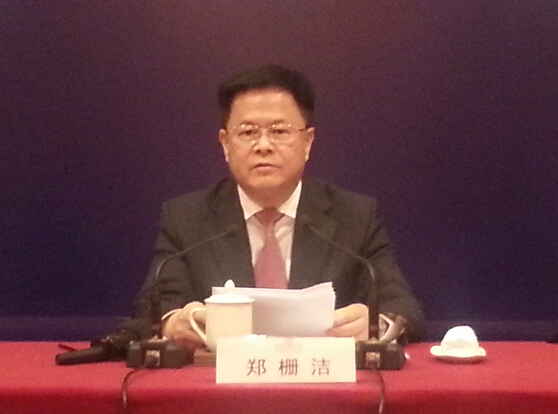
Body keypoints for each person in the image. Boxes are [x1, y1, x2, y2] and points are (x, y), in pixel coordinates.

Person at [129, 65, 425, 348]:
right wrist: (172, 323)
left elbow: (403, 309)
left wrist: (376, 325)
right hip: (219, 379)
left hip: (321, 378)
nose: (263, 146)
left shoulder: (355, 217)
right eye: (248, 132)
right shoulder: (186, 219)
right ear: (225, 144)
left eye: (279, 131)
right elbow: (150, 310)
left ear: (307, 142)